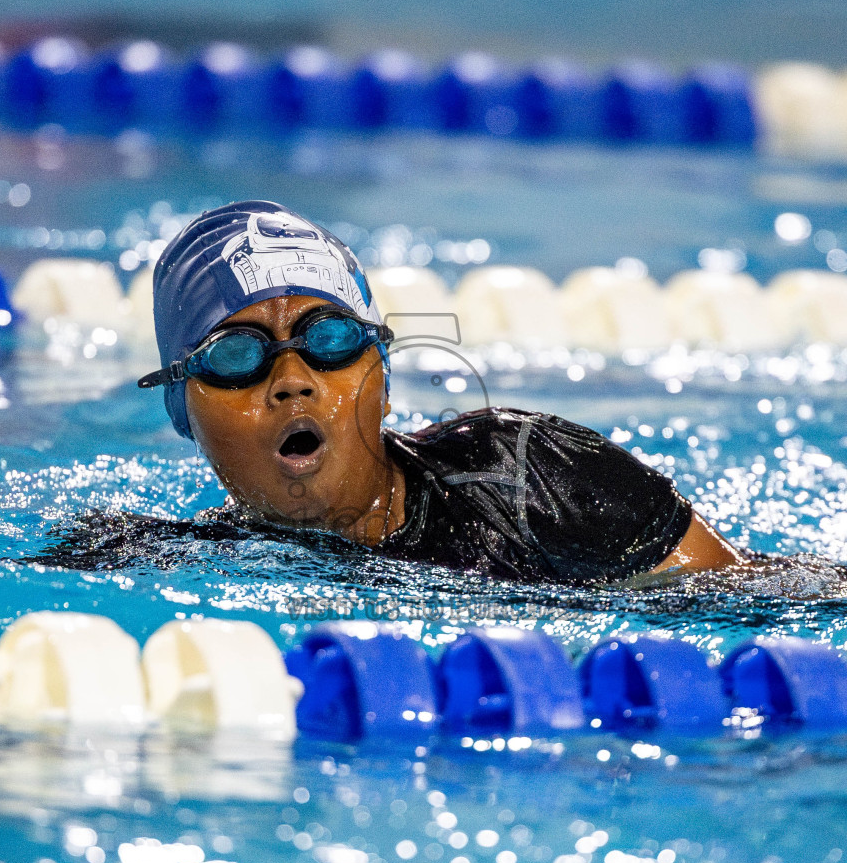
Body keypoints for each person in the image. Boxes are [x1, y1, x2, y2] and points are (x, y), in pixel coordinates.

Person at [129, 199, 741, 585]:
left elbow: (763, 600)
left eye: (332, 340)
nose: (293, 382)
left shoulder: (529, 477)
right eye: (238, 356)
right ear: (182, 410)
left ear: (384, 376)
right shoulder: (167, 568)